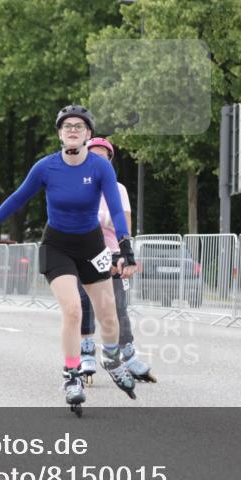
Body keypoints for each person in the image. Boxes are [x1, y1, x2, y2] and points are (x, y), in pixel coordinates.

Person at [0, 104, 141, 416]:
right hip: (57, 245)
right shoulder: (46, 167)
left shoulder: (100, 168)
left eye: (79, 126)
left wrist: (126, 243)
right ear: (60, 134)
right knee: (73, 310)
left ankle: (112, 360)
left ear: (89, 134)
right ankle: (72, 375)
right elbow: (18, 198)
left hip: (93, 246)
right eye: (67, 126)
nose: (73, 130)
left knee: (109, 317)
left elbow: (115, 207)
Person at [77, 137, 153, 384]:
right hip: (85, 252)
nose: (99, 160)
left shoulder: (118, 189)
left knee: (119, 307)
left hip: (112, 254)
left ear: (110, 162)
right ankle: (86, 352)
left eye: (104, 157)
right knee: (85, 303)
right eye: (94, 156)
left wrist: (125, 254)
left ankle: (128, 355)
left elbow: (125, 223)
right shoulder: (78, 185)